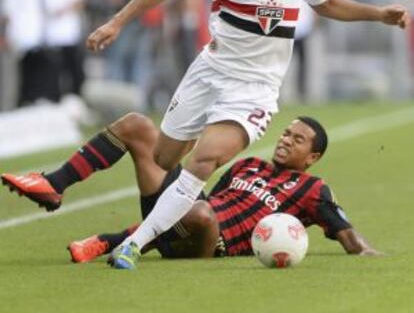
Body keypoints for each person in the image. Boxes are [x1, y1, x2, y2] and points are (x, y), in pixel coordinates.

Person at [84, 0, 408, 269]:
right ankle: (173, 223)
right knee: (163, 157)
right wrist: (117, 22)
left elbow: (326, 2)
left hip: (255, 90)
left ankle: (132, 246)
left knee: (202, 162)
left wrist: (378, 14)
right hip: (209, 72)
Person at [1, 114, 380, 266]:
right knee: (138, 126)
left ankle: (109, 240)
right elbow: (191, 198)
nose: (285, 141)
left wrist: (366, 252)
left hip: (211, 244)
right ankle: (56, 184)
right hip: (192, 221)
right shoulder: (250, 165)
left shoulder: (312, 189)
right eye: (285, 133)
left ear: (312, 157)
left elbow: (346, 234)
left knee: (200, 214)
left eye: (296, 140)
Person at [0, 0, 60, 105]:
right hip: (19, 40)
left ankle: (25, 103)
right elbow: (7, 14)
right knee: (13, 78)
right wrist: (4, 35)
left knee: (30, 78)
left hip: (33, 41)